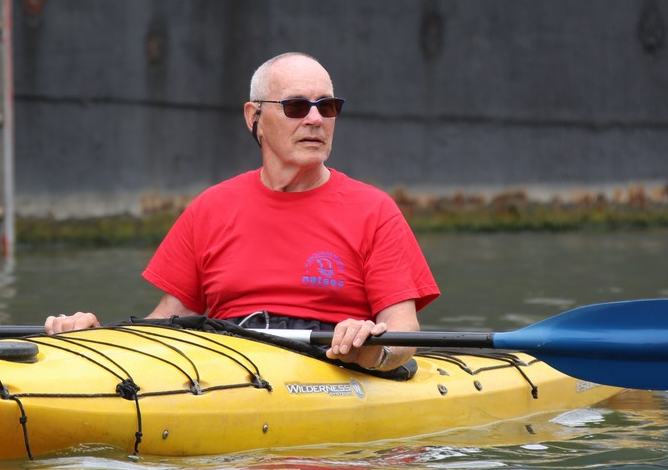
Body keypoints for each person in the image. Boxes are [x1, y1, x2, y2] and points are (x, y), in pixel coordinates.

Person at [44, 51, 439, 371]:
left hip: (333, 367)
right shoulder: (211, 208)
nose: (316, 119)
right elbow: (166, 321)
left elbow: (403, 332)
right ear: (255, 118)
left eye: (328, 106)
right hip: (229, 367)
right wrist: (96, 339)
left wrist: (369, 349)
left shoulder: (375, 210)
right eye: (297, 106)